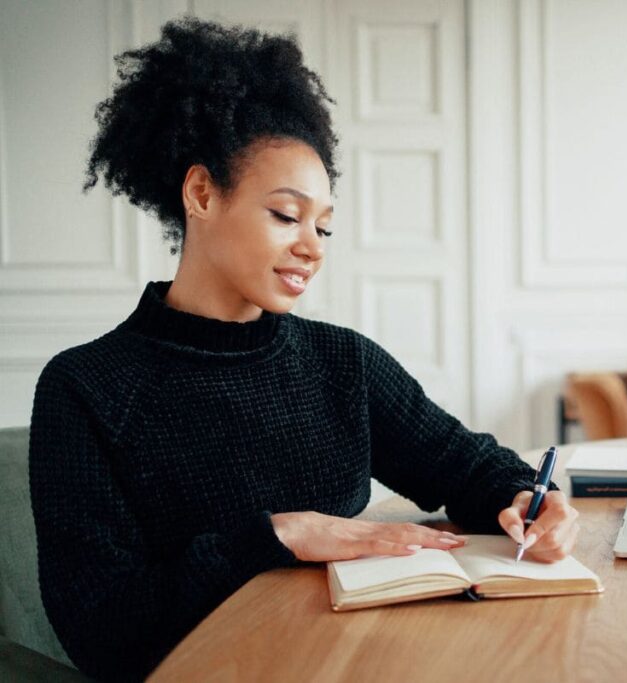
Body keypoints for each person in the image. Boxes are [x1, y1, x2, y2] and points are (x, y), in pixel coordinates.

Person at [28, 16, 579, 682]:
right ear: (201, 193)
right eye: (287, 215)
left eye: (323, 224)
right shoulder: (87, 388)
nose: (313, 246)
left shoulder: (342, 362)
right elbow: (103, 631)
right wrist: (277, 536)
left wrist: (529, 499)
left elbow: (466, 466)